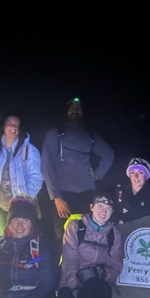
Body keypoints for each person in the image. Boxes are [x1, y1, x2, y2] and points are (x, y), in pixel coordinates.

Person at [40, 97, 115, 254]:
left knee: (86, 236)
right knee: (61, 236)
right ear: (66, 111)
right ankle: (62, 274)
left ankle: (83, 274)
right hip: (63, 195)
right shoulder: (56, 133)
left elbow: (109, 154)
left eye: (79, 108)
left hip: (87, 194)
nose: (75, 111)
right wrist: (56, 197)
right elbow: (46, 165)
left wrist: (97, 175)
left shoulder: (90, 134)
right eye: (72, 108)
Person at [0, 113, 44, 238]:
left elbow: (36, 177)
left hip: (20, 205)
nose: (13, 127)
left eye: (17, 125)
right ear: (3, 126)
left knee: (20, 239)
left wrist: (28, 196)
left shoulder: (29, 150)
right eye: (10, 124)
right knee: (0, 240)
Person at [116, 157, 150, 225]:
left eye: (140, 173)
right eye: (132, 172)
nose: (136, 176)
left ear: (146, 176)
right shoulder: (121, 192)